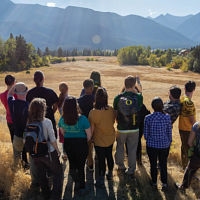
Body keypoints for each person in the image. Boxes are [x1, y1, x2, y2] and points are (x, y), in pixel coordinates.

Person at [28, 98, 63, 200]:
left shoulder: (29, 121)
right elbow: (52, 139)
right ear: (43, 109)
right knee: (57, 172)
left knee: (41, 173)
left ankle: (46, 194)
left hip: (35, 153)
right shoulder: (47, 122)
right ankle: (55, 196)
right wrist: (57, 150)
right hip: (48, 152)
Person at [58, 96, 92, 197]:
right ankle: (82, 187)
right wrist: (82, 141)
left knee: (72, 164)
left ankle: (76, 182)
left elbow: (62, 132)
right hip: (81, 143)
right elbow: (89, 135)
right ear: (76, 106)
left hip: (68, 143)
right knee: (81, 166)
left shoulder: (62, 119)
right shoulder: (83, 118)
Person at [7, 82, 38, 188]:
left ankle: (15, 176)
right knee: (31, 158)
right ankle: (34, 181)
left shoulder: (12, 103)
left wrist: (13, 87)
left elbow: (9, 95)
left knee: (16, 155)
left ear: (16, 92)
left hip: (16, 135)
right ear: (27, 91)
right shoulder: (29, 106)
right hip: (28, 136)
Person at [113, 75, 143, 178]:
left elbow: (115, 116)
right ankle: (131, 170)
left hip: (122, 128)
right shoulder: (139, 97)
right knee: (132, 149)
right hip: (134, 128)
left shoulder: (117, 98)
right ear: (134, 85)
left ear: (124, 84)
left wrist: (119, 123)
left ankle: (121, 166)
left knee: (120, 147)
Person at [88, 88, 115, 188]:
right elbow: (112, 122)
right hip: (110, 138)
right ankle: (111, 173)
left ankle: (101, 180)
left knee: (101, 160)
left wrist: (90, 138)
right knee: (109, 156)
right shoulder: (111, 109)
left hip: (99, 141)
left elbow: (92, 129)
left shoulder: (93, 113)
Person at [144, 97, 172, 189]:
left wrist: (149, 140)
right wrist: (169, 142)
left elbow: (146, 133)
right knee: (163, 164)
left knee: (153, 164)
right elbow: (169, 132)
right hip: (164, 145)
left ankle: (154, 182)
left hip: (152, 145)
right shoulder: (167, 117)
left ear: (152, 107)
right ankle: (164, 183)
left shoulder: (148, 118)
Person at [26, 70, 59, 138]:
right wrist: (50, 112)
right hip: (49, 118)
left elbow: (28, 107)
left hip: (34, 121)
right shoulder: (50, 92)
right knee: (52, 140)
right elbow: (55, 106)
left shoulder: (30, 93)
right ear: (43, 78)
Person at [175, 122, 200, 191]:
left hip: (197, 155)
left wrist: (194, 150)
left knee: (190, 170)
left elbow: (189, 142)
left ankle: (183, 187)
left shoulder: (197, 125)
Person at [178, 81, 196, 170]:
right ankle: (188, 168)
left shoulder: (182, 99)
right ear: (194, 89)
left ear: (184, 89)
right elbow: (192, 120)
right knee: (190, 149)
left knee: (184, 147)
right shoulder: (189, 102)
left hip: (181, 127)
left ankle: (184, 165)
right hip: (188, 129)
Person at [78, 79, 95, 171]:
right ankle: (96, 159)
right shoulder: (96, 99)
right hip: (95, 126)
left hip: (83, 127)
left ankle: (90, 163)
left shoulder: (79, 100)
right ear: (92, 88)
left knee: (88, 146)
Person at [0, 75, 17, 143]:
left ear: (5, 83)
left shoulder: (1, 95)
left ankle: (15, 153)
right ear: (14, 83)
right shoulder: (17, 94)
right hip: (18, 120)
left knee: (13, 139)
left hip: (9, 120)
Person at [58, 82, 69, 160]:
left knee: (64, 138)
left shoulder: (59, 100)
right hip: (70, 120)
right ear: (67, 89)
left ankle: (65, 154)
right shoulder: (69, 98)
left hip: (63, 120)